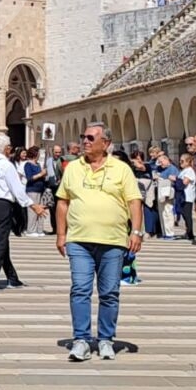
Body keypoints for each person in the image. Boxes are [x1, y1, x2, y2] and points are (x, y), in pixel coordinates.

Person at [54, 122, 143, 362]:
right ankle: (81, 339)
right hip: (79, 240)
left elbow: (134, 201)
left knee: (109, 292)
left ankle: (105, 339)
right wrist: (61, 234)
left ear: (106, 143)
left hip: (113, 240)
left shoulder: (121, 169)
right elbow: (62, 201)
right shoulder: (73, 167)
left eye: (91, 138)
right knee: (80, 289)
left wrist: (136, 232)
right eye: (84, 137)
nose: (85, 141)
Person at [0, 134, 45, 292]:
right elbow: (17, 189)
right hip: (1, 204)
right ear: (7, 149)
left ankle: (12, 278)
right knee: (0, 242)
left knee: (1, 240)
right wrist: (33, 205)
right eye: (10, 147)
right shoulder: (7, 166)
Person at [23, 146, 47, 236]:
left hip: (40, 190)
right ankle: (31, 230)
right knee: (33, 211)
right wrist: (41, 174)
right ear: (35, 154)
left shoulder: (38, 164)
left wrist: (44, 175)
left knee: (41, 209)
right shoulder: (28, 164)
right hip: (32, 190)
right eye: (38, 154)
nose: (39, 155)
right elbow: (30, 178)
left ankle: (39, 230)